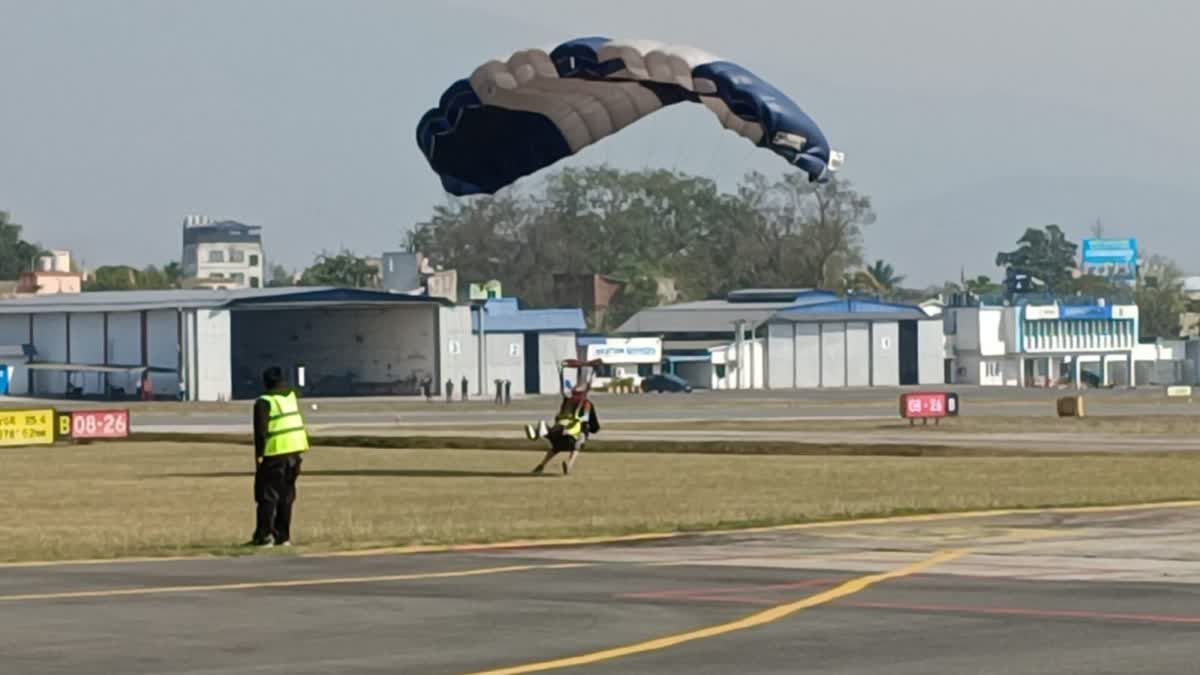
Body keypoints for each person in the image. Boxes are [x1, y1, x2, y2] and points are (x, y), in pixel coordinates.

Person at [249, 366, 309, 547]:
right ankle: (283, 537)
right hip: (295, 452)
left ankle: (264, 536)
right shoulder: (291, 397)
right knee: (286, 496)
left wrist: (259, 457)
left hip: (275, 453)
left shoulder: (264, 402)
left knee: (267, 496)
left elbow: (261, 433)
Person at [526, 394, 600, 475]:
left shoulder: (568, 401)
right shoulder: (587, 404)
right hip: (574, 434)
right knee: (578, 444)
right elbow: (591, 423)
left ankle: (541, 465)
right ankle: (569, 463)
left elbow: (559, 417)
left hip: (559, 432)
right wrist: (591, 429)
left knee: (556, 447)